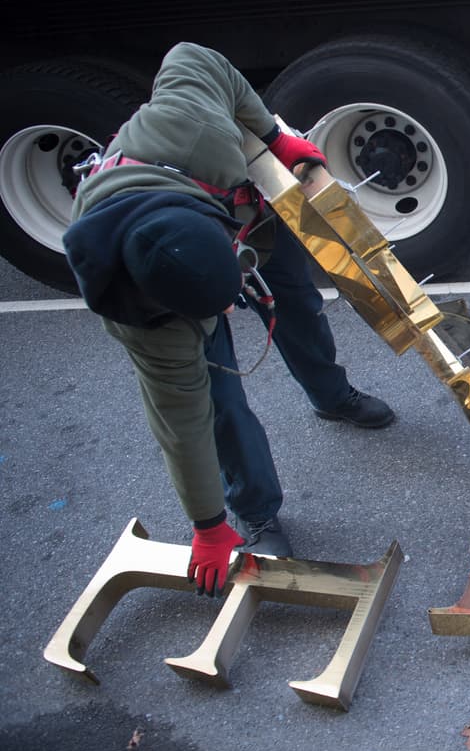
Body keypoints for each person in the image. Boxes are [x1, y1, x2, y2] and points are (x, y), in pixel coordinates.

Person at [62, 42, 395, 597]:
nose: (228, 311)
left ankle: (332, 396)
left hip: (242, 213)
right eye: (215, 309)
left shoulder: (188, 127)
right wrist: (206, 524)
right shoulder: (141, 320)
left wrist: (272, 137)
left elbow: (194, 57)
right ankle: (255, 510)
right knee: (221, 402)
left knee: (297, 304)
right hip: (191, 261)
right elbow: (182, 425)